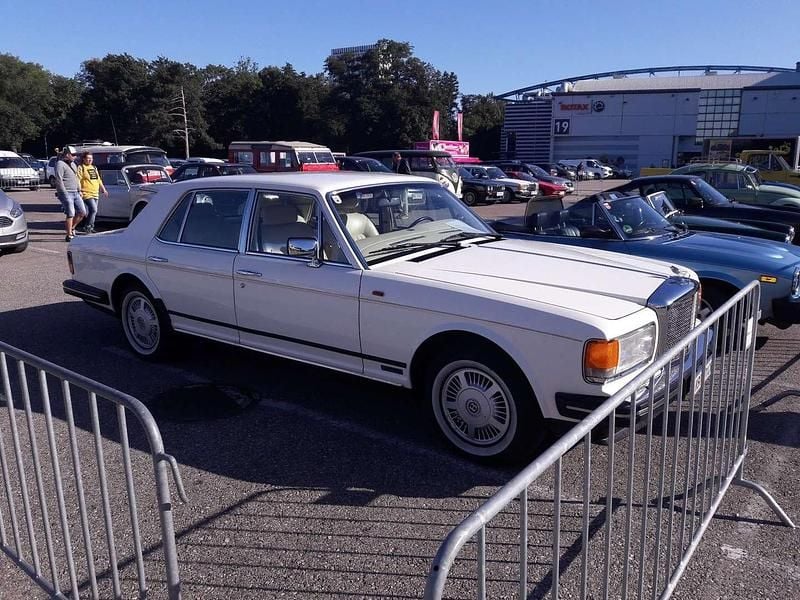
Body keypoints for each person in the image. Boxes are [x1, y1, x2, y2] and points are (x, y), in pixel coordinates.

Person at [54, 146, 86, 241]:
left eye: (75, 155)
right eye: (73, 155)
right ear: (67, 155)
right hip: (67, 192)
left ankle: (72, 228)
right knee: (70, 213)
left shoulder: (73, 164)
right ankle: (69, 235)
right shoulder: (60, 164)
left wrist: (79, 190)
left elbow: (76, 178)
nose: (75, 157)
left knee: (82, 212)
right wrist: (63, 192)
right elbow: (59, 179)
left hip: (76, 192)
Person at [76, 151, 107, 233]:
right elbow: (78, 179)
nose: (90, 160)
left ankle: (90, 226)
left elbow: (98, 179)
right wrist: (79, 190)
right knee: (93, 209)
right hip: (86, 193)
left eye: (91, 158)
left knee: (94, 211)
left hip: (95, 192)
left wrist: (103, 188)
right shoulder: (81, 167)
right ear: (83, 159)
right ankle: (88, 227)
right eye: (88, 158)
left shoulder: (94, 167)